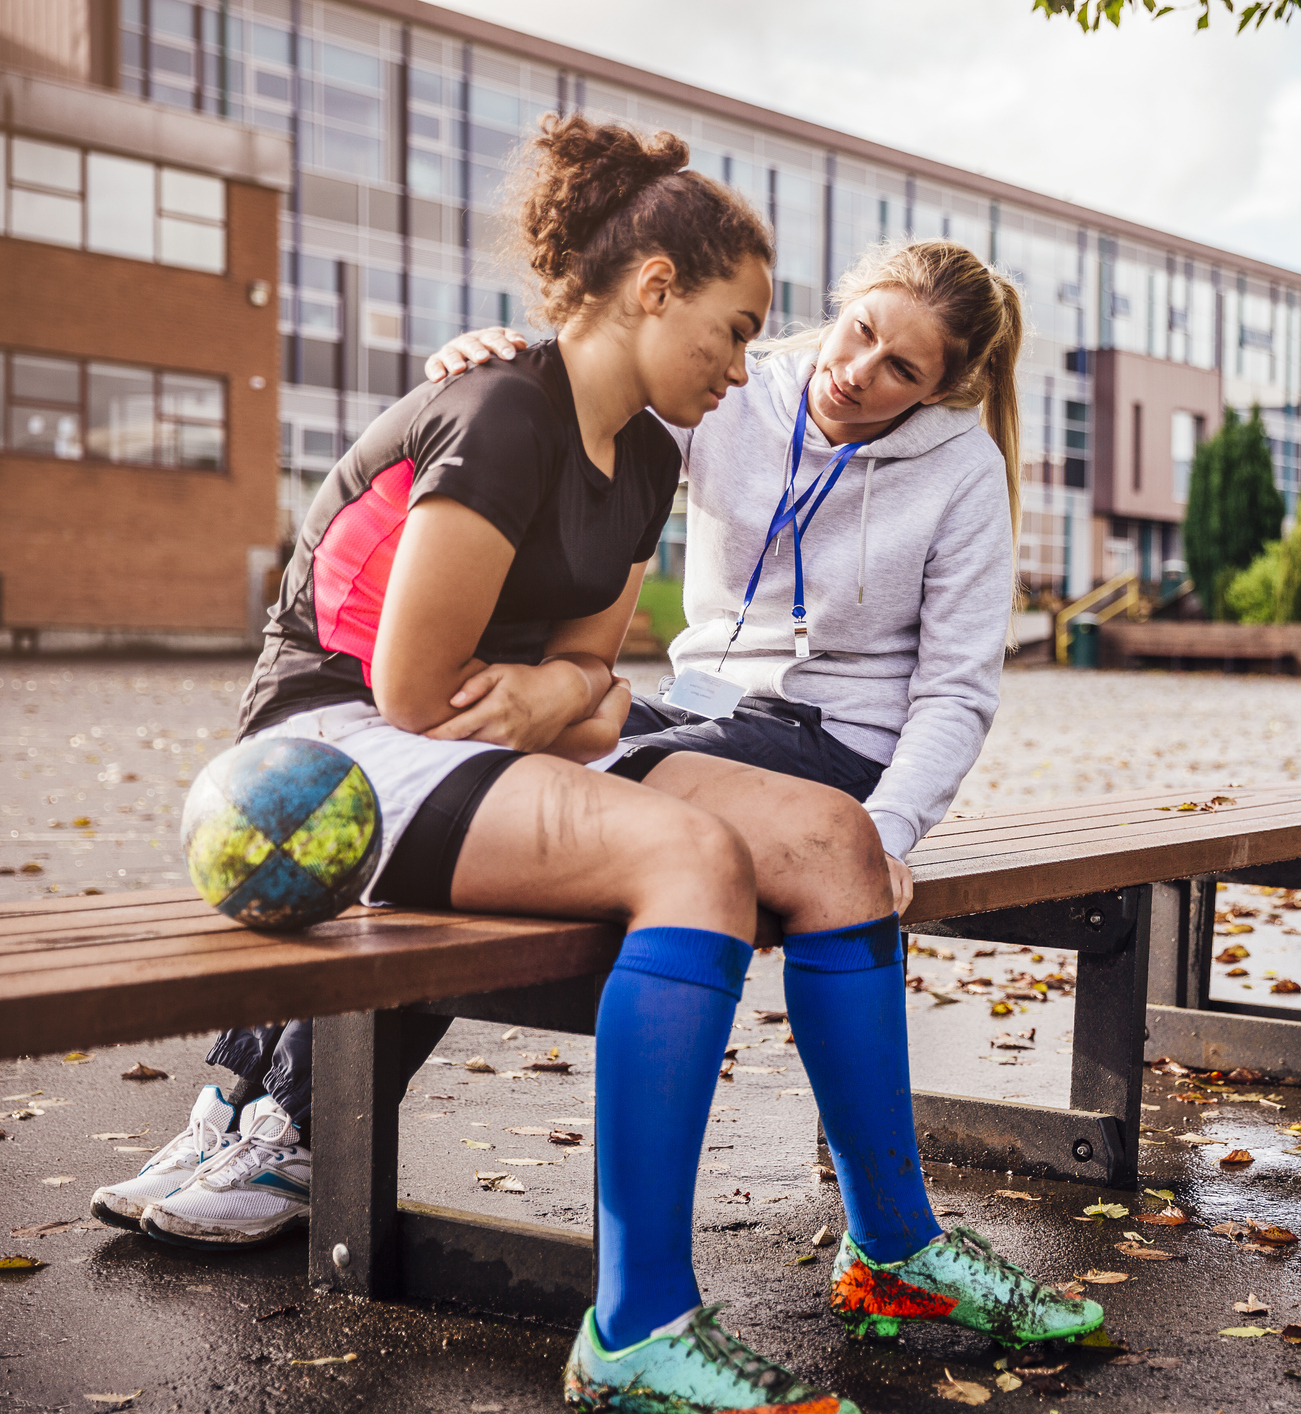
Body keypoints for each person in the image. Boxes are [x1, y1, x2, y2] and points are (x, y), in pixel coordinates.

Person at [88, 115, 1091, 1414]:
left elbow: (594, 692)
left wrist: (569, 692)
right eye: (739, 331)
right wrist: (572, 694)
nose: (759, 366)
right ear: (656, 291)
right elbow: (423, 693)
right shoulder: (507, 408)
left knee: (836, 844)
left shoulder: (657, 458)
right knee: (690, 854)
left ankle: (896, 1249)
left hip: (483, 731)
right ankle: (635, 1322)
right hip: (338, 746)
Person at [423, 243, 1070, 1346]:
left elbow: (957, 692)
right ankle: (271, 1110)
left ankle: (881, 1246)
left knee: (521, 779)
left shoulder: (960, 471)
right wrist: (508, 366)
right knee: (502, 750)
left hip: (833, 745)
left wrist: (886, 827)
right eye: (859, 330)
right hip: (698, 708)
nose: (860, 371)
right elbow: (605, 397)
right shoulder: (737, 387)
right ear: (842, 304)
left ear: (943, 389)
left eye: (902, 370)